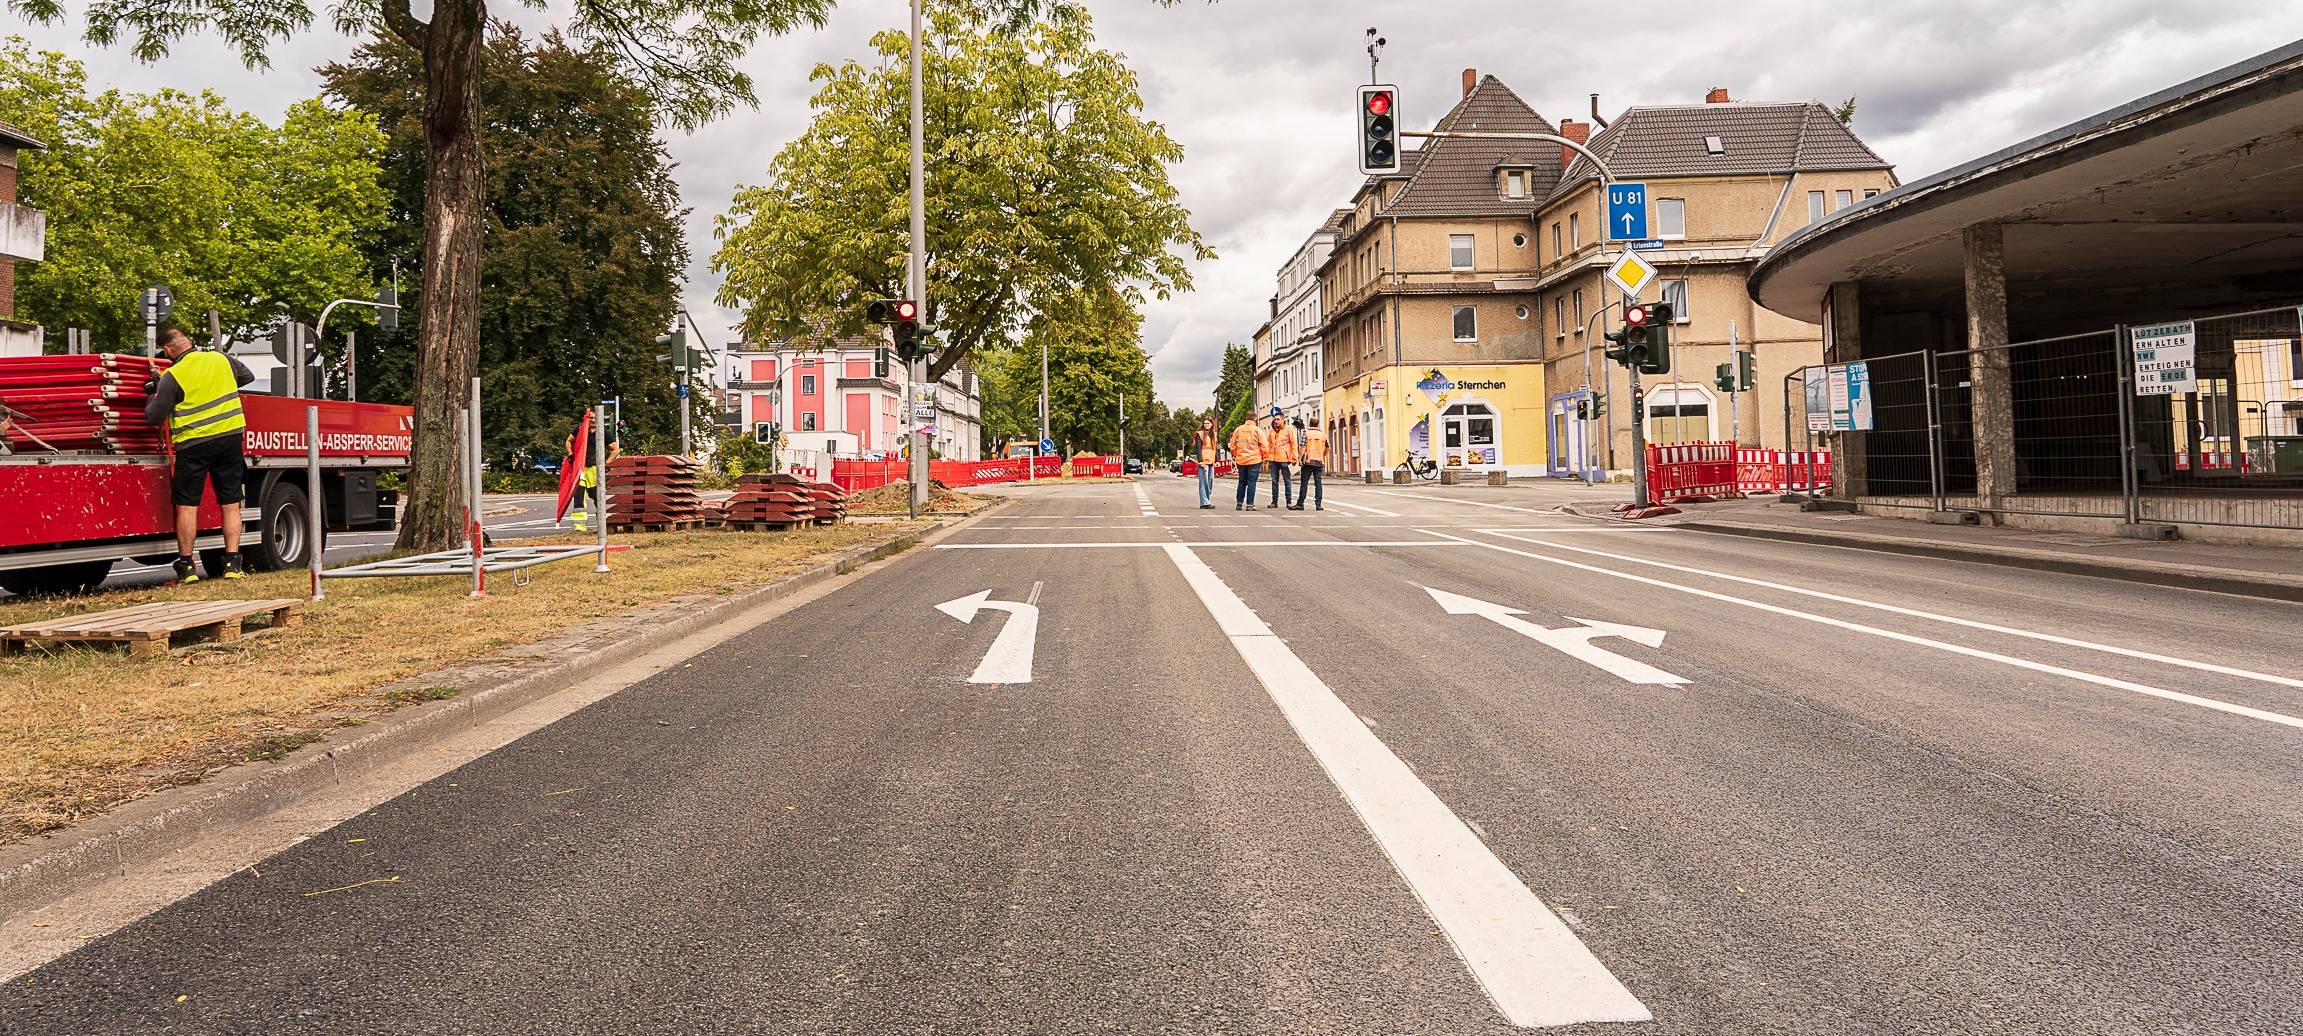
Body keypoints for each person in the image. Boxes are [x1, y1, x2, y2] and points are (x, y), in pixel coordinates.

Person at [142, 325, 255, 583]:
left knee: (187, 505)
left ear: (168, 350)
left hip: (194, 445)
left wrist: (153, 392)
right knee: (230, 504)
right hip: (229, 439)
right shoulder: (221, 359)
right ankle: (232, 565)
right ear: (188, 341)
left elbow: (154, 416)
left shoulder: (173, 375)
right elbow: (247, 377)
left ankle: (187, 566)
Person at [565, 413, 623, 532]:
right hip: (580, 469)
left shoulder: (603, 432)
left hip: (595, 469)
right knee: (579, 496)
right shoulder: (580, 429)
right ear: (585, 418)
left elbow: (615, 449)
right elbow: (568, 441)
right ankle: (579, 527)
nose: (592, 420)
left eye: (595, 418)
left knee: (598, 497)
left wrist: (606, 462)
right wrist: (570, 454)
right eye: (590, 417)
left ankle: (602, 524)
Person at [1227, 412, 1265, 510]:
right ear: (1255, 419)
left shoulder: (1238, 430)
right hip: (1254, 460)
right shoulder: (1258, 430)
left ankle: (1239, 503)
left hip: (1241, 460)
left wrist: (1237, 455)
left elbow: (1232, 445)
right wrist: (1264, 458)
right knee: (1252, 482)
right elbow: (1264, 446)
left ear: (1246, 418)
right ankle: (1250, 504)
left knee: (1242, 482)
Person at [1262, 408, 1295, 509]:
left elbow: (1294, 444)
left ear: (1283, 420)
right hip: (1273, 459)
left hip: (1285, 459)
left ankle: (1289, 501)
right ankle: (1274, 501)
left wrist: (1294, 457)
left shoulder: (1289, 429)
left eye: (1278, 419)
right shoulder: (1272, 431)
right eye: (1275, 419)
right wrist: (1266, 457)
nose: (1275, 421)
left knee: (1287, 481)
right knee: (1274, 481)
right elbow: (1268, 444)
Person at [1294, 416, 1328, 511]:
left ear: (1309, 424)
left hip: (1308, 461)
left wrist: (1300, 458)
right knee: (1318, 483)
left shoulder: (1306, 434)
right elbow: (1327, 447)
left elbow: (1303, 447)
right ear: (1318, 424)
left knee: (1304, 482)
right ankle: (1318, 504)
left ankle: (1300, 503)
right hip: (1319, 461)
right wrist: (1322, 455)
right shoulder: (1323, 435)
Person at [1189, 416, 1221, 509]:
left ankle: (1207, 500)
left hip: (1211, 461)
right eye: (1205, 423)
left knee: (1210, 481)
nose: (1206, 425)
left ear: (1211, 424)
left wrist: (1217, 460)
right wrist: (1200, 461)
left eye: (1208, 423)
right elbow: (1198, 448)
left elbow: (1215, 448)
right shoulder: (1200, 434)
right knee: (1203, 482)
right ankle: (1204, 502)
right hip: (1203, 461)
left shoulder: (1214, 434)